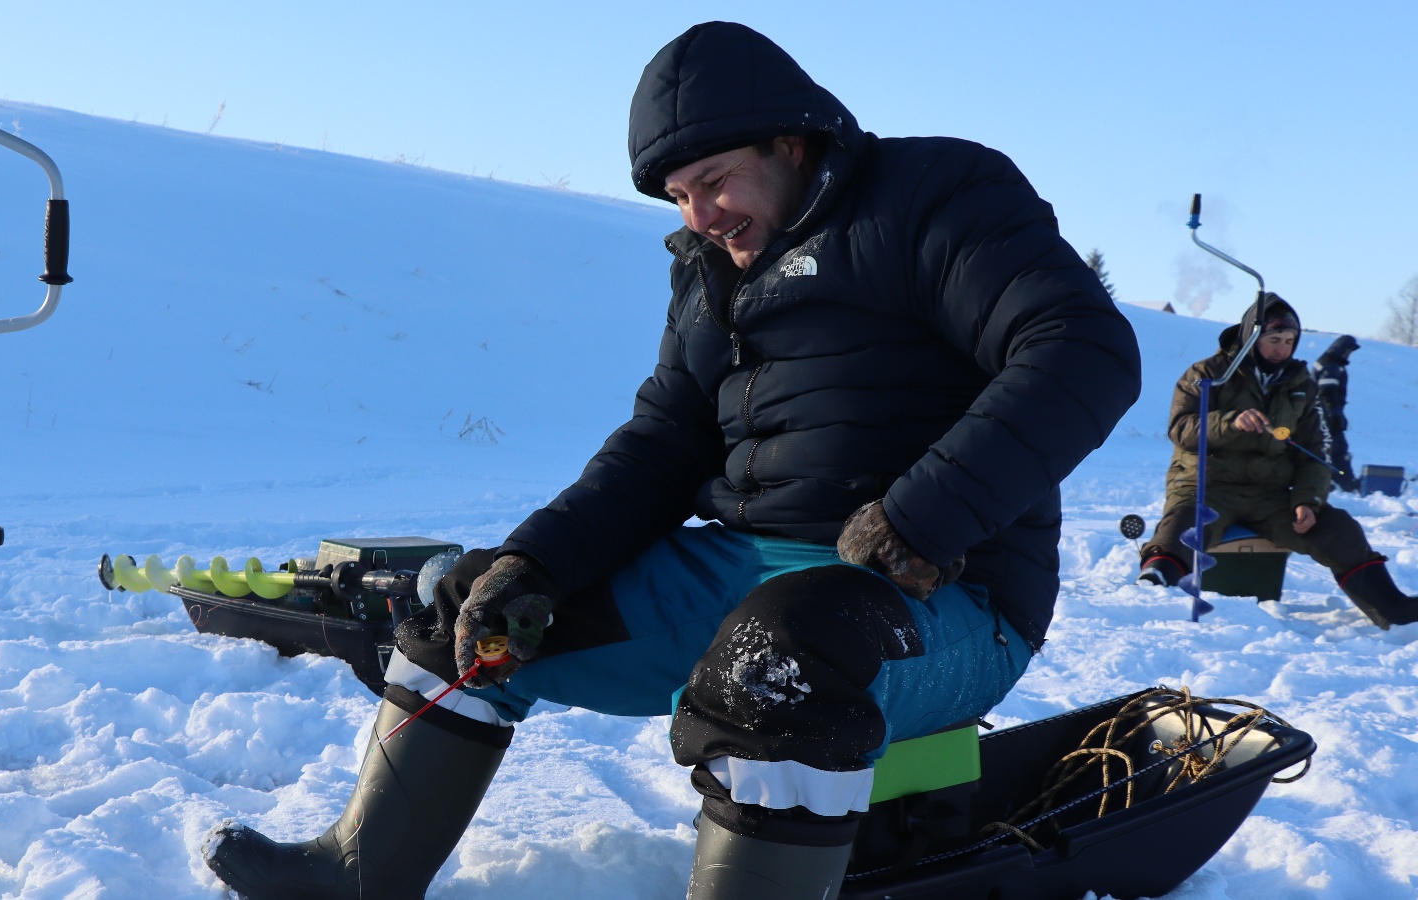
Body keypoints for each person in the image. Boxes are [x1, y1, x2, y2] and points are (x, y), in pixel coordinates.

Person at [204, 21, 1140, 899]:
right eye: (678, 197)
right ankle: (355, 874)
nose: (702, 215)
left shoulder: (935, 197)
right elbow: (662, 444)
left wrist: (923, 517)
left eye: (716, 181)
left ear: (792, 140)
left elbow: (1081, 351)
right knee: (467, 613)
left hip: (947, 590)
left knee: (779, 659)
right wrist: (535, 562)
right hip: (749, 566)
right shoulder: (708, 270)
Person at [1137, 295, 1418, 629]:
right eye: (1273, 340)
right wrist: (1230, 423)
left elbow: (1314, 453)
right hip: (1208, 486)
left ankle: (1393, 610)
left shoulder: (1301, 384)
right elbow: (1180, 429)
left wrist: (1307, 500)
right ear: (1251, 338)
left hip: (1269, 495)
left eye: (1288, 341)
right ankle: (1155, 583)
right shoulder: (1208, 373)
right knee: (1185, 524)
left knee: (1339, 528)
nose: (1281, 349)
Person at [1312, 334, 1360, 492]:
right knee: (1336, 449)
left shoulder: (1332, 363)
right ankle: (1346, 484)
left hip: (1323, 415)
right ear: (1341, 350)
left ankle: (1335, 480)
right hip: (1324, 416)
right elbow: (1327, 393)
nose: (1349, 355)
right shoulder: (1330, 365)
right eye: (1348, 351)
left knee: (1330, 448)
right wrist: (1334, 417)